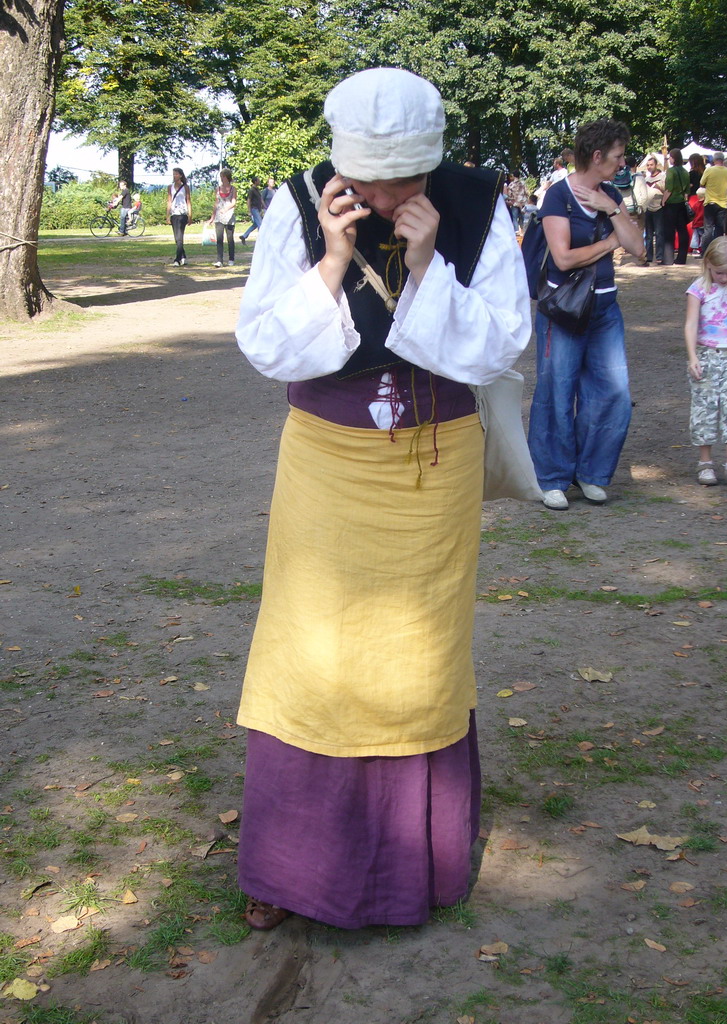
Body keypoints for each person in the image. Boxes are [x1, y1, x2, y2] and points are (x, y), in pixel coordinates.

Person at [234, 67, 531, 931]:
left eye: (402, 175)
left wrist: (429, 262)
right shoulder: (298, 203)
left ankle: (417, 866)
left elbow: (500, 344)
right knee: (308, 649)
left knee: (419, 655)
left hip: (431, 472)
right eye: (368, 173)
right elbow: (267, 344)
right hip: (326, 466)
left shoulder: (478, 206)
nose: (382, 191)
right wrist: (330, 260)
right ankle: (289, 868)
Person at [527, 119, 644, 511]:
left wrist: (612, 209)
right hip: (563, 309)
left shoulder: (611, 193)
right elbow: (562, 258)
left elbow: (639, 248)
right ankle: (553, 477)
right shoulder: (557, 197)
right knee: (556, 392)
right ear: (597, 156)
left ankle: (591, 474)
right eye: (617, 155)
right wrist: (612, 240)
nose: (622, 162)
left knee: (613, 392)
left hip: (605, 308)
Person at [684, 236, 727, 489]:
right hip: (706, 355)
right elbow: (691, 324)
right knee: (705, 409)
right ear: (707, 266)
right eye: (719, 273)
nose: (724, 278)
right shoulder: (699, 289)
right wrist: (692, 356)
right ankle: (705, 463)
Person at [661, 148, 690, 265]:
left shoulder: (671, 171)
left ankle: (668, 259)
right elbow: (687, 190)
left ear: (673, 158)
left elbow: (669, 189)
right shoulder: (685, 172)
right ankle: (681, 258)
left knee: (669, 231)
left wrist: (663, 201)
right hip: (681, 203)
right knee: (682, 231)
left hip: (671, 204)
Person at [700, 152, 727, 254]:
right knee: (719, 229)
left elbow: (702, 183)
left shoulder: (709, 170)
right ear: (723, 160)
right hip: (722, 203)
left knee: (708, 229)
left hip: (710, 201)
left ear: (714, 160)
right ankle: (717, 251)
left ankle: (705, 251)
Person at [209, 168, 237, 267]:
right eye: (221, 176)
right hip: (219, 216)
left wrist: (226, 209)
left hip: (229, 216)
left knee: (230, 238)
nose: (221, 178)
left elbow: (233, 202)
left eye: (223, 176)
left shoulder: (233, 189)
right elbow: (216, 203)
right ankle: (219, 260)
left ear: (226, 177)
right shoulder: (218, 189)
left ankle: (231, 259)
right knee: (219, 238)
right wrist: (212, 217)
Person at [166, 167, 191, 267]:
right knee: (177, 238)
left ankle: (177, 259)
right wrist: (167, 215)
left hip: (183, 214)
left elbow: (188, 201)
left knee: (180, 237)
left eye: (176, 174)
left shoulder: (185, 187)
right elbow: (169, 201)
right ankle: (183, 256)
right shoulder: (170, 187)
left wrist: (190, 215)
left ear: (180, 175)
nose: (174, 176)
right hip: (174, 214)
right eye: (173, 174)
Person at [643, 155, 665, 263]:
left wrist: (659, 187)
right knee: (648, 234)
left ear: (656, 165)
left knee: (660, 233)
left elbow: (667, 190)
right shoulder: (646, 179)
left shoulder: (663, 177)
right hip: (648, 208)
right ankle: (649, 256)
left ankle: (660, 256)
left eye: (651, 165)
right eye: (648, 165)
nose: (649, 167)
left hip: (659, 207)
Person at [240, 175, 265, 245]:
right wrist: (249, 210)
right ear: (255, 181)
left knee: (255, 224)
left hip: (258, 209)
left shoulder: (257, 190)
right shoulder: (251, 190)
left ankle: (244, 236)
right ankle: (262, 240)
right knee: (260, 224)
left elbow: (260, 199)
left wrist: (264, 206)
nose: (259, 181)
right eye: (258, 180)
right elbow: (249, 200)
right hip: (254, 209)